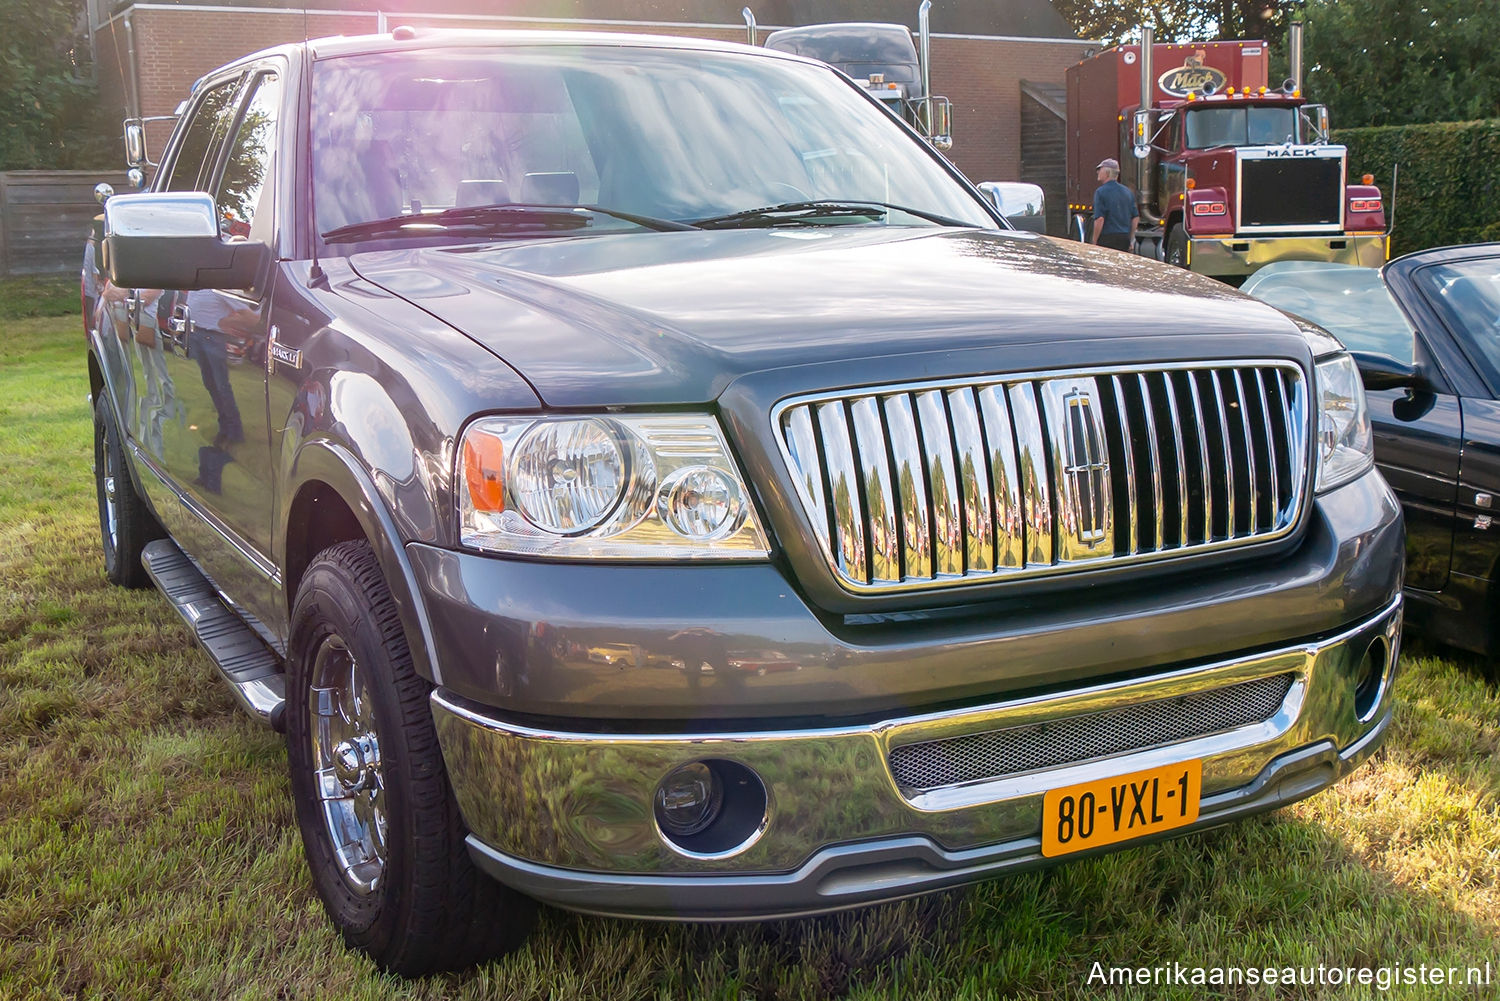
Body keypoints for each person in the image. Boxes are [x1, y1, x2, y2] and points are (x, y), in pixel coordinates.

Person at [1091, 158, 1139, 253]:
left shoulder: (1100, 192)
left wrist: (1094, 241)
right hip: (1124, 237)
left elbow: (1100, 219)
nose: (1097, 172)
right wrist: (1131, 238)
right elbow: (1135, 217)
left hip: (1107, 238)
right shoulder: (1128, 192)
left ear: (1107, 173)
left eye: (1099, 170)